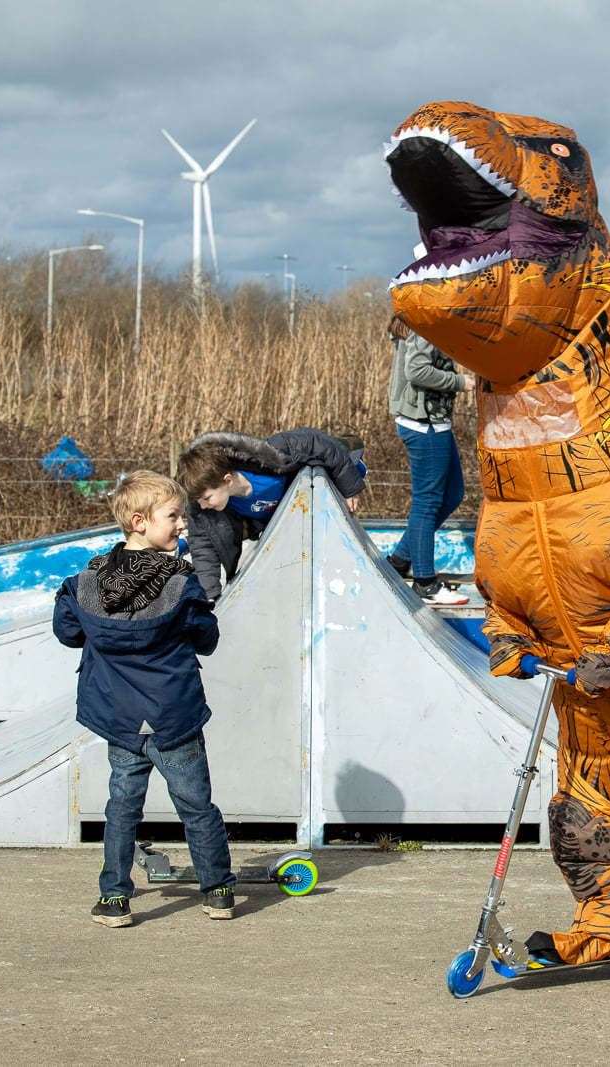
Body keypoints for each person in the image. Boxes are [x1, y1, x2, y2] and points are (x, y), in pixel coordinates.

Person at [52, 470, 235, 928]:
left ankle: (114, 898)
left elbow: (67, 631)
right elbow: (207, 638)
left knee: (122, 808)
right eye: (173, 516)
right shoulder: (181, 584)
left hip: (121, 720)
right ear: (139, 520)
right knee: (197, 806)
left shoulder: (87, 582)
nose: (182, 526)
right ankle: (217, 891)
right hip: (173, 717)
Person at [177, 428, 367, 602]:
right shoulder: (203, 508)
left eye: (207, 498)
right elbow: (203, 549)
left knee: (343, 461)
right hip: (275, 523)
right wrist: (209, 597)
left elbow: (318, 445)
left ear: (227, 480)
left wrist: (350, 488)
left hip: (308, 501)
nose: (203, 505)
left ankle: (356, 463)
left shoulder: (274, 454)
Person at [383, 314, 475, 606]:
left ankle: (399, 560)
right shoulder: (427, 323)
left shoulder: (422, 320)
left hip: (432, 421)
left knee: (453, 493)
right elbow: (417, 370)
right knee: (427, 503)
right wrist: (460, 381)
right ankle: (425, 582)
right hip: (424, 423)